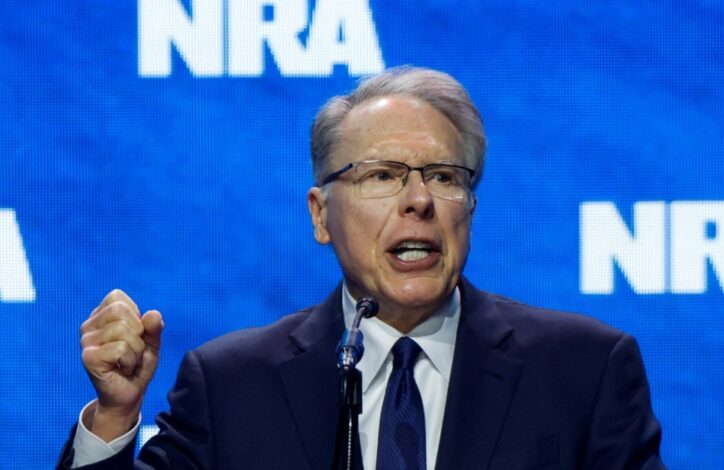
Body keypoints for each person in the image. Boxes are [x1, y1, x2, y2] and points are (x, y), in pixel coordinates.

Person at [58, 66, 665, 469]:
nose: (419, 200)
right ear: (321, 215)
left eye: (444, 177)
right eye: (382, 175)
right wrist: (114, 416)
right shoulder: (230, 385)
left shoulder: (583, 371)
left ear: (470, 208)